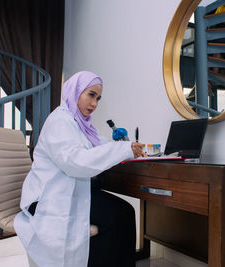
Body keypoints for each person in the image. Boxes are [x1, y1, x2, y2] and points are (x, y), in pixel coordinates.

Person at [14, 71, 144, 267]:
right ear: (75, 91)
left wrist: (126, 147)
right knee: (119, 216)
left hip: (70, 191)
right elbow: (76, 162)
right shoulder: (60, 121)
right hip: (48, 198)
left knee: (123, 212)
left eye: (98, 98)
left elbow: (99, 145)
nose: (94, 104)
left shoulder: (82, 124)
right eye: (91, 95)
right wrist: (122, 149)